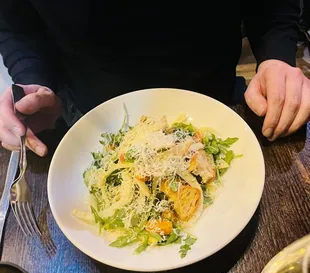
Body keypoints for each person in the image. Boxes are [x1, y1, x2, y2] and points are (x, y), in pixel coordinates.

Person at [0, 1, 309, 157]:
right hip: (88, 123)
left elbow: (272, 7)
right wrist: (32, 80)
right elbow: (17, 25)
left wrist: (275, 57)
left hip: (220, 109)